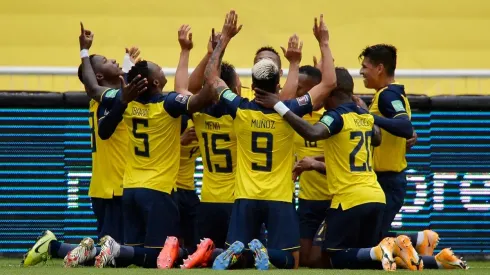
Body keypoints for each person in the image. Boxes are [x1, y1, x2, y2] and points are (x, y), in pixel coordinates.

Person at [206, 12, 336, 270]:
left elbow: (212, 77)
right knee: (291, 261)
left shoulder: (240, 108)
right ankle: (262, 252)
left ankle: (242, 253)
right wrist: (323, 42)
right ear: (279, 83)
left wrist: (223, 40)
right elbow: (330, 82)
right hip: (279, 197)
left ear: (251, 84)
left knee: (237, 259)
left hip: (245, 195)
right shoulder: (289, 110)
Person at [94, 24, 216, 269]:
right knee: (160, 258)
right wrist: (215, 57)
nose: (163, 69)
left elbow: (98, 110)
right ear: (156, 82)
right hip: (158, 191)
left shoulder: (126, 102)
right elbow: (205, 95)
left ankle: (103, 250)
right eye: (159, 68)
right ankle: (112, 249)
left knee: (135, 256)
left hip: (130, 189)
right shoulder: (167, 104)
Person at [21, 23, 140, 268]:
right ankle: (54, 247)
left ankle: (55, 246)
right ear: (97, 76)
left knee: (114, 254)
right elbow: (94, 85)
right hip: (114, 187)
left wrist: (126, 65)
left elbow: (112, 88)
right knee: (115, 257)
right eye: (107, 60)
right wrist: (84, 52)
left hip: (105, 186)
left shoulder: (103, 99)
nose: (114, 60)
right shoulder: (105, 98)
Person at [356, 44, 440, 256]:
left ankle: (426, 252)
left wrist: (367, 116)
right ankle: (421, 240)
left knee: (371, 241)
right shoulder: (387, 95)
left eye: (365, 66)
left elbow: (404, 127)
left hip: (388, 181)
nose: (361, 72)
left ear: (379, 68)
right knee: (370, 237)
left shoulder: (387, 96)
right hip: (384, 180)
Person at [292, 65, 332, 267]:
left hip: (333, 199)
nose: (297, 93)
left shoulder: (333, 117)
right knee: (305, 260)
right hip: (307, 200)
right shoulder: (293, 118)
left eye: (301, 88)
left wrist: (314, 162)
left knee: (318, 260)